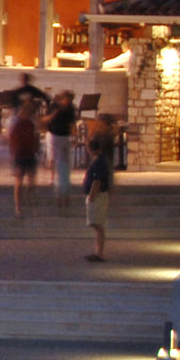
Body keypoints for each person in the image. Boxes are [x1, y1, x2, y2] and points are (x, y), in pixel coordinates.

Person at [82, 114, 117, 261]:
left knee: (97, 223)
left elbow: (97, 180)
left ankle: (99, 252)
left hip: (97, 195)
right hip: (100, 194)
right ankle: (98, 251)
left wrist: (91, 196)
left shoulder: (99, 162)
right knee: (97, 224)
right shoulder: (100, 158)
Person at [7, 98, 41, 216]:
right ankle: (18, 208)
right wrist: (13, 157)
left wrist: (37, 150)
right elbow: (11, 140)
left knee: (31, 183)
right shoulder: (15, 123)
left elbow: (35, 138)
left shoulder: (31, 124)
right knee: (19, 182)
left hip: (30, 155)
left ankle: (28, 201)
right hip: (19, 155)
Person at [47, 90, 79, 196]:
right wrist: (54, 114)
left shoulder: (71, 109)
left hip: (65, 134)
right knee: (53, 156)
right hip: (54, 134)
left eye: (70, 100)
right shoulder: (54, 106)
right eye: (67, 100)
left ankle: (63, 178)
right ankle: (52, 177)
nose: (68, 102)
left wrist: (75, 135)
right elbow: (46, 119)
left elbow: (72, 123)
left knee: (64, 158)